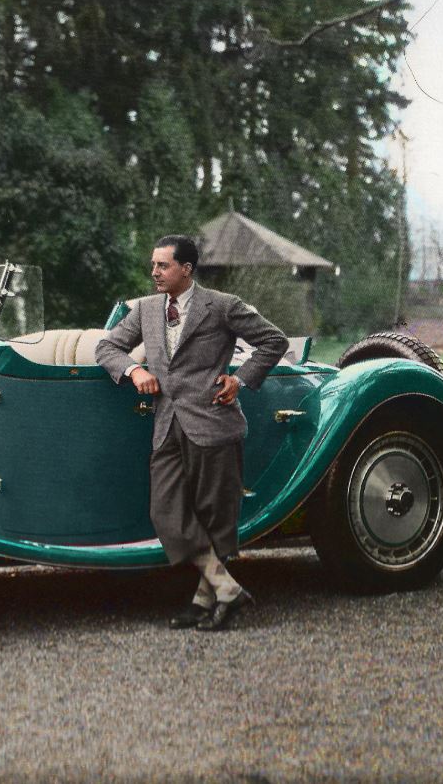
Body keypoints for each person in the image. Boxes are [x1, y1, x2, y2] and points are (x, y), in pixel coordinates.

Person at [94, 234, 288, 631]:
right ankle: (227, 587)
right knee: (165, 513)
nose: (154, 273)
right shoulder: (145, 310)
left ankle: (204, 602)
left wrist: (241, 379)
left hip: (214, 422)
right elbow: (107, 348)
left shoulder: (222, 306)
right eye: (153, 265)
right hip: (167, 426)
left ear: (186, 269)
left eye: (162, 266)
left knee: (215, 517)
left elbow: (274, 341)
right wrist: (136, 370)